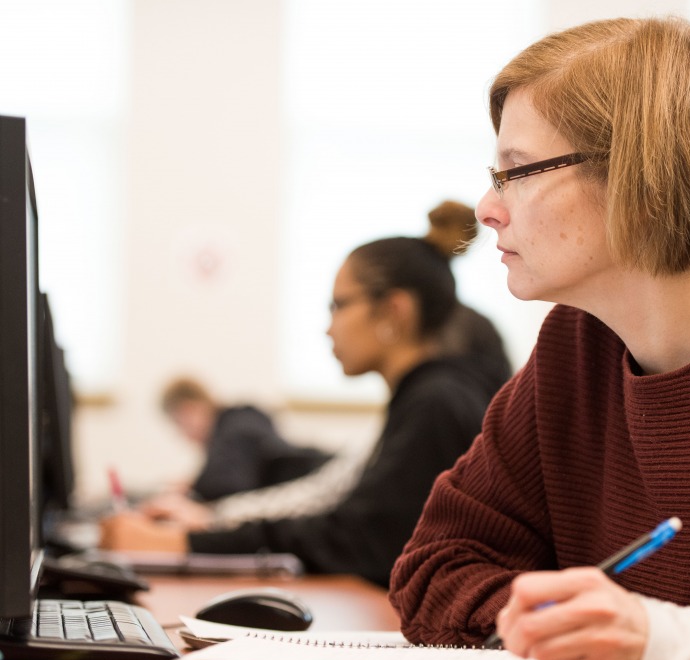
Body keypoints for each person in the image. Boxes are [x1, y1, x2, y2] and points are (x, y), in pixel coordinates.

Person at [388, 15, 690, 660]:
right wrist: (564, 622)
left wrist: (660, 639)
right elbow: (435, 569)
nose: (486, 208)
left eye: (519, 171)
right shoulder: (575, 344)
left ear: (640, 183)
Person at [100, 201, 511, 588]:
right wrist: (207, 526)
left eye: (338, 305)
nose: (328, 327)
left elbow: (356, 540)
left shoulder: (436, 403)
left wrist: (182, 543)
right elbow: (338, 512)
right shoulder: (427, 396)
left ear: (393, 311)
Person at [155, 377, 332, 502]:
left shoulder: (235, 428)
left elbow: (229, 485)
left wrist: (192, 489)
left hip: (325, 483)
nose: (182, 435)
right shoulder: (237, 422)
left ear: (189, 410)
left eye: (178, 424)